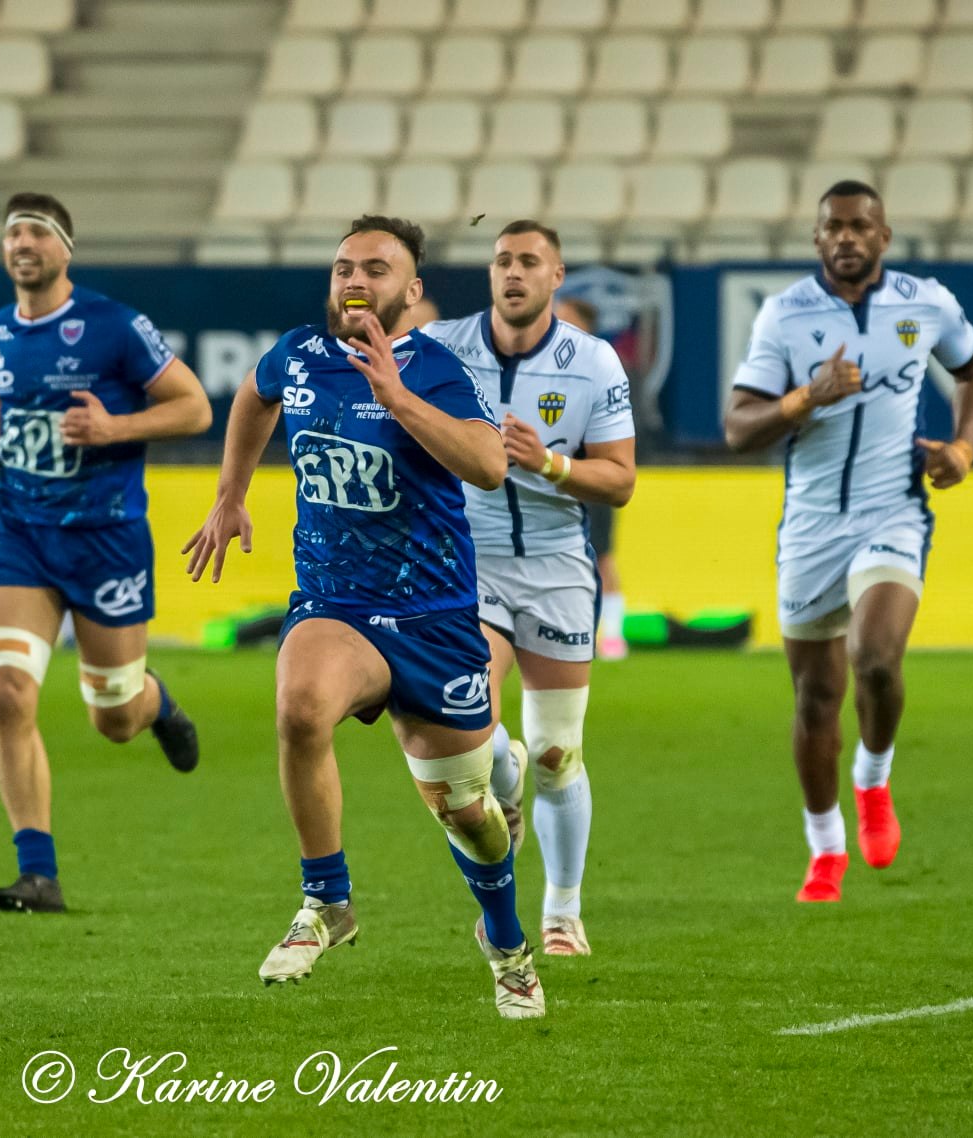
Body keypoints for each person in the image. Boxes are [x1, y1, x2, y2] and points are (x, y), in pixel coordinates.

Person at [184, 215, 544, 1020]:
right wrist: (229, 495)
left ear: (409, 293)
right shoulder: (301, 354)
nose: (354, 279)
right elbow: (254, 396)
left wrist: (396, 397)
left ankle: (506, 941)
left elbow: (489, 467)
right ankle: (327, 901)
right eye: (344, 265)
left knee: (471, 820)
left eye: (376, 269)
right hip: (336, 604)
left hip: (434, 617)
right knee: (299, 706)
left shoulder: (436, 368)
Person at [0, 192, 210, 914]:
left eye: (36, 232)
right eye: (11, 233)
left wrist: (115, 427)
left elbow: (194, 406)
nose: (21, 243)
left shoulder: (115, 326)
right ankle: (38, 872)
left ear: (64, 249)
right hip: (21, 537)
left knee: (112, 715)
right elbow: (7, 399)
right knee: (5, 690)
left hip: (106, 539)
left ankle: (157, 705)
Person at [723, 181, 973, 903]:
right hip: (809, 526)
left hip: (892, 510)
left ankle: (872, 779)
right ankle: (824, 849)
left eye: (859, 226)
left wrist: (963, 449)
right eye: (833, 228)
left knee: (874, 659)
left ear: (884, 237)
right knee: (815, 698)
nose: (846, 237)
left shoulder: (925, 302)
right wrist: (802, 397)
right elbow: (737, 427)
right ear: (816, 240)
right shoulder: (783, 315)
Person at [424, 221, 635, 957]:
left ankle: (562, 911)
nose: (512, 273)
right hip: (464, 564)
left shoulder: (594, 361)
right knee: (474, 733)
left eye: (528, 262)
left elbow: (620, 480)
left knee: (554, 752)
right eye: (501, 260)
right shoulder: (442, 346)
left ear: (555, 278)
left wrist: (548, 465)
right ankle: (501, 806)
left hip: (555, 568)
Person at [554, 296, 628, 660]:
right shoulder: (541, 367)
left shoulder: (602, 369)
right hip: (551, 478)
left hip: (592, 475)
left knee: (602, 556)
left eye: (566, 320)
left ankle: (612, 636)